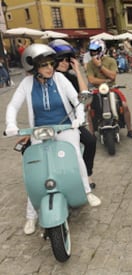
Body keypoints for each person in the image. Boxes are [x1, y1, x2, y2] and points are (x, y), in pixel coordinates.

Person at [5, 44, 101, 235]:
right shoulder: (26, 84)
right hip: (40, 130)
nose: (50, 68)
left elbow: (77, 100)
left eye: (51, 63)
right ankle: (31, 216)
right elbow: (13, 106)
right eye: (44, 65)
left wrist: (79, 118)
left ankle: (86, 191)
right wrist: (10, 124)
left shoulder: (60, 78)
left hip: (65, 126)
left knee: (73, 153)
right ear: (34, 68)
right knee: (35, 168)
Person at [49, 39, 98, 188]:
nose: (64, 63)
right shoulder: (46, 78)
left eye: (67, 60)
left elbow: (83, 95)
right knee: (28, 148)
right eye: (60, 60)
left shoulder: (69, 77)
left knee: (90, 141)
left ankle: (87, 174)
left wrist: (77, 71)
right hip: (48, 123)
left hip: (70, 121)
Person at [86, 38, 132, 139]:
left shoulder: (111, 61)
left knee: (125, 105)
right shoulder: (89, 64)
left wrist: (100, 66)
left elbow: (113, 76)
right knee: (89, 109)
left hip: (112, 88)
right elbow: (91, 80)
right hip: (96, 89)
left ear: (101, 50)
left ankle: (130, 130)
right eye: (91, 51)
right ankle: (91, 134)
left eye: (95, 51)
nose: (93, 53)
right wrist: (105, 81)